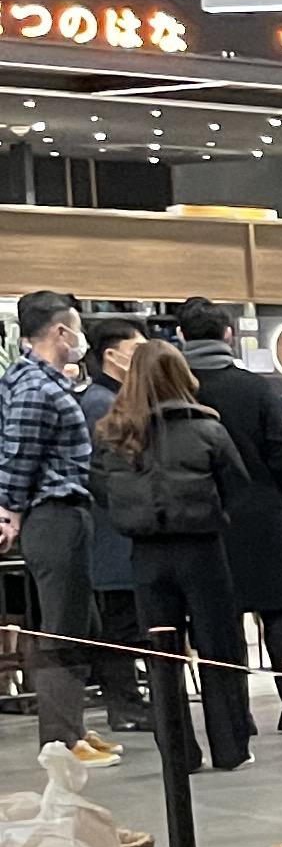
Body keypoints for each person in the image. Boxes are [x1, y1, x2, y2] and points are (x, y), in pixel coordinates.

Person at [93, 342, 255, 771]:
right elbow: (238, 487)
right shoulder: (207, 429)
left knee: (162, 656)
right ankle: (231, 747)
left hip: (145, 553)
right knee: (219, 648)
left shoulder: (112, 434)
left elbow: (101, 490)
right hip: (202, 549)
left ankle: (178, 753)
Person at [176, 299, 282, 733]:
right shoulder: (255, 388)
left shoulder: (178, 390)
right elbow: (281, 449)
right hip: (263, 513)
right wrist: (280, 492)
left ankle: (235, 716)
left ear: (180, 336)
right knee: (279, 613)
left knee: (219, 620)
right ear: (228, 335)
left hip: (204, 517)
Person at [0, 292, 117, 763]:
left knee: (80, 623)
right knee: (62, 629)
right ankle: (60, 740)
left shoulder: (46, 382)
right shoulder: (35, 388)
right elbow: (18, 456)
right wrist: (9, 512)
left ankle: (74, 728)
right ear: (60, 331)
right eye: (76, 328)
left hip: (68, 512)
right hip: (53, 514)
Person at [77, 312, 150, 728]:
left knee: (128, 621)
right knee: (120, 623)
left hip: (119, 530)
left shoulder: (113, 400)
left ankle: (129, 702)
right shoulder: (102, 404)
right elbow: (104, 473)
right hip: (112, 532)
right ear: (111, 355)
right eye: (135, 350)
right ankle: (125, 706)